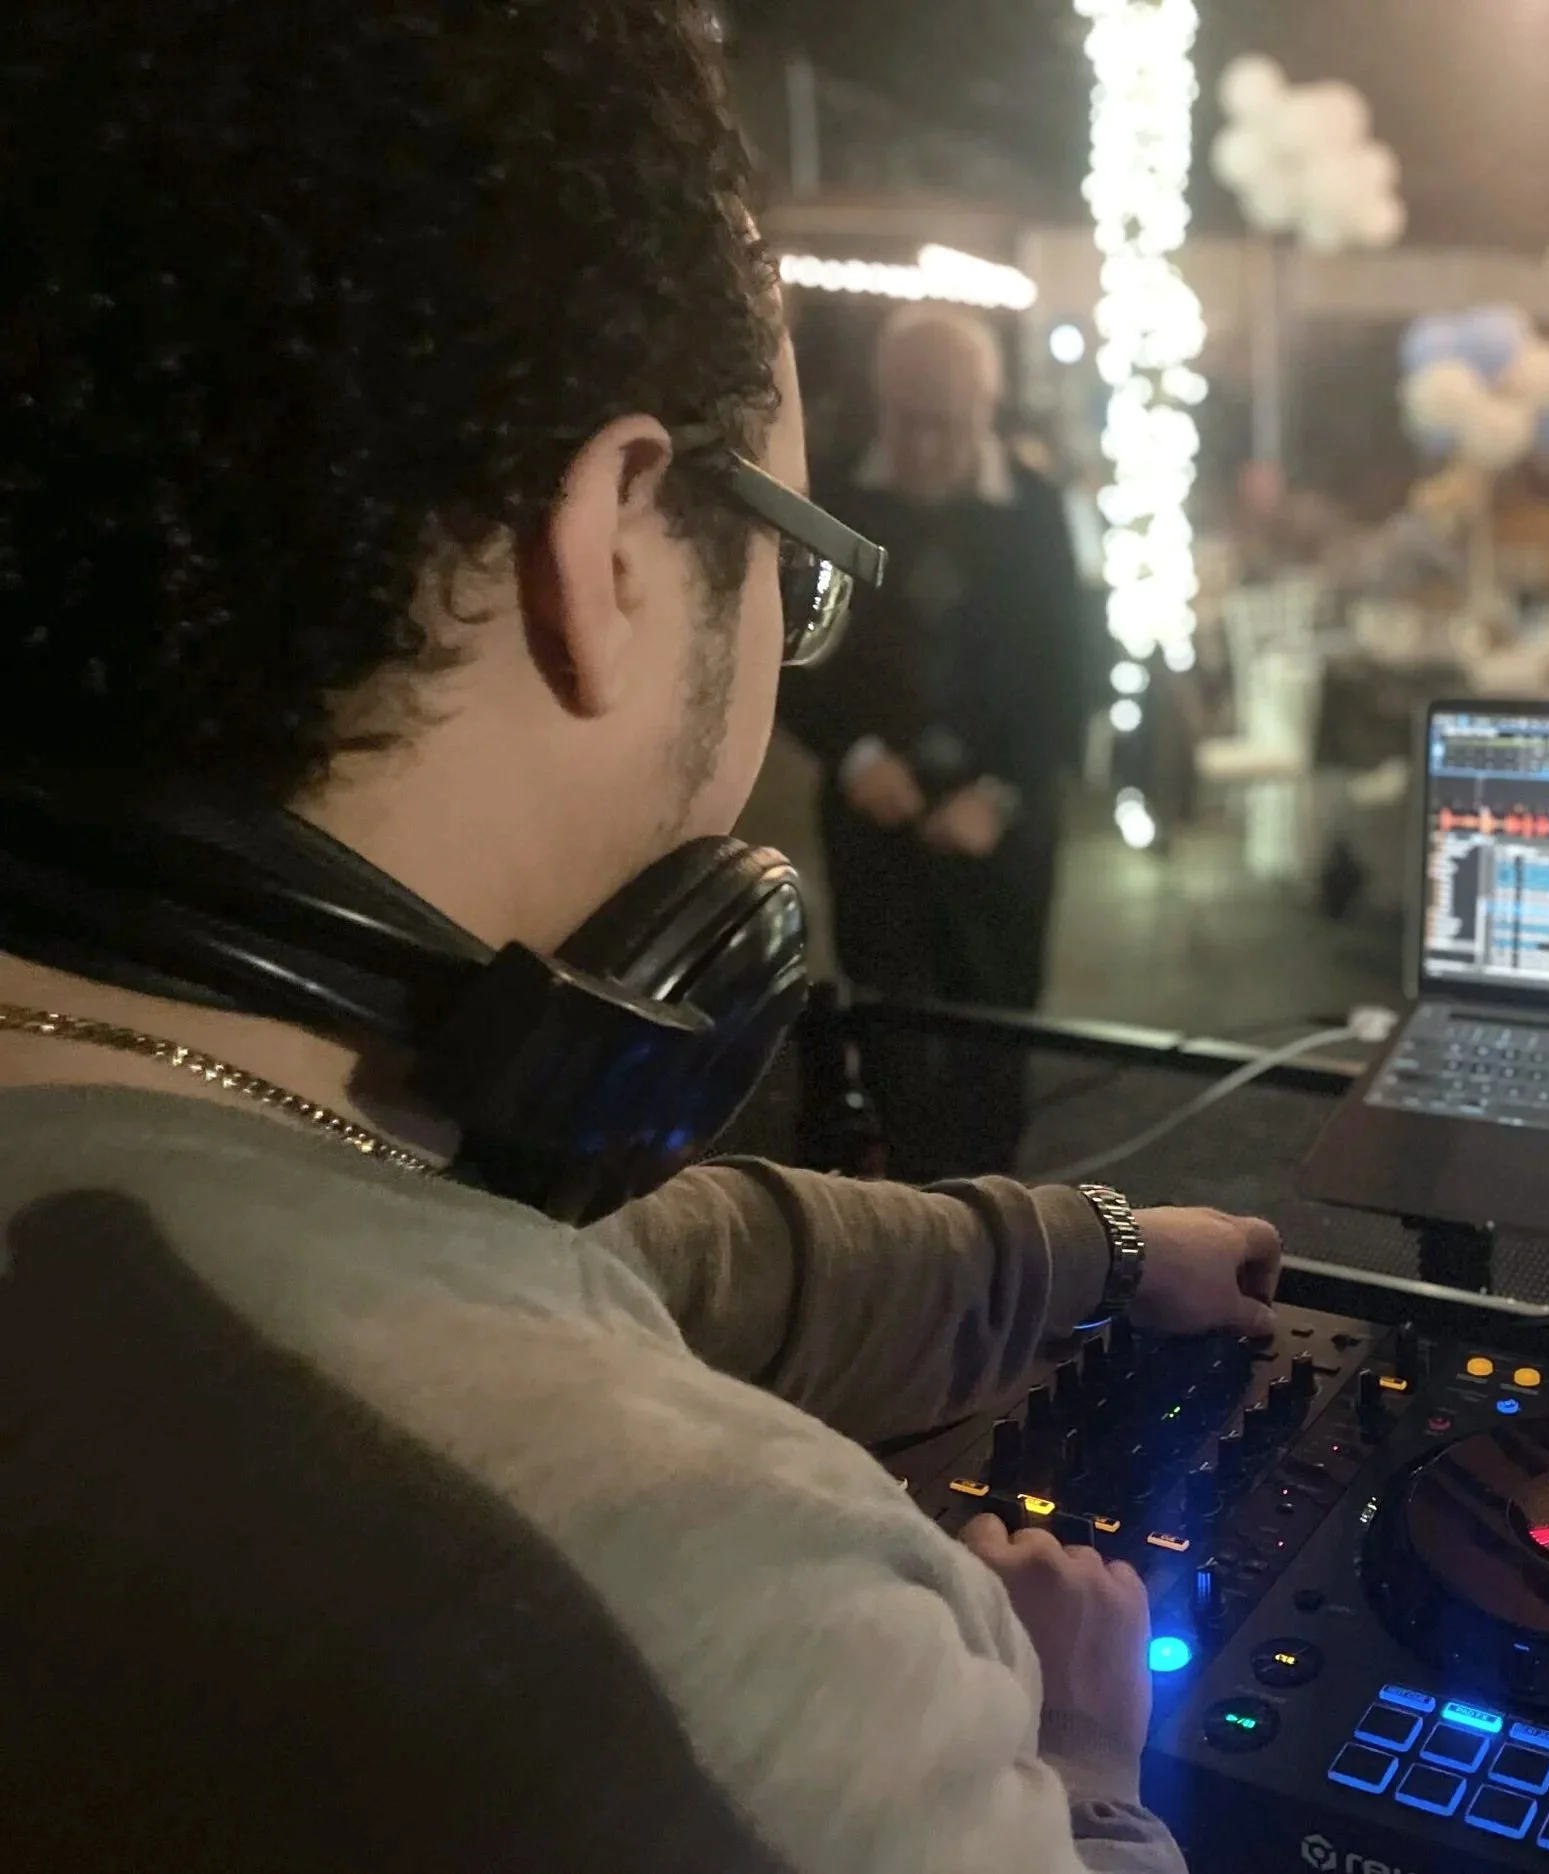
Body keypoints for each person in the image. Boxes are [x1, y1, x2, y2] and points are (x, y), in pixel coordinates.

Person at [0, 4, 1277, 1868]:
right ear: (610, 547)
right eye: (792, 562)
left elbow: (610, 1259)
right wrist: (1085, 1755)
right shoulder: (722, 1612)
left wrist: (1077, 1250)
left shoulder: (188, 1122)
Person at [780, 308, 1095, 1181]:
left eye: (944, 423)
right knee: (888, 1043)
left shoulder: (1034, 512)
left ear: (985, 407)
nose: (922, 445)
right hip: (875, 820)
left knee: (999, 1042)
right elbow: (792, 659)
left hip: (1005, 828)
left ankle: (993, 1225)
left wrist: (999, 793)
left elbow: (1069, 676)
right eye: (906, 420)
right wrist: (854, 756)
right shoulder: (837, 498)